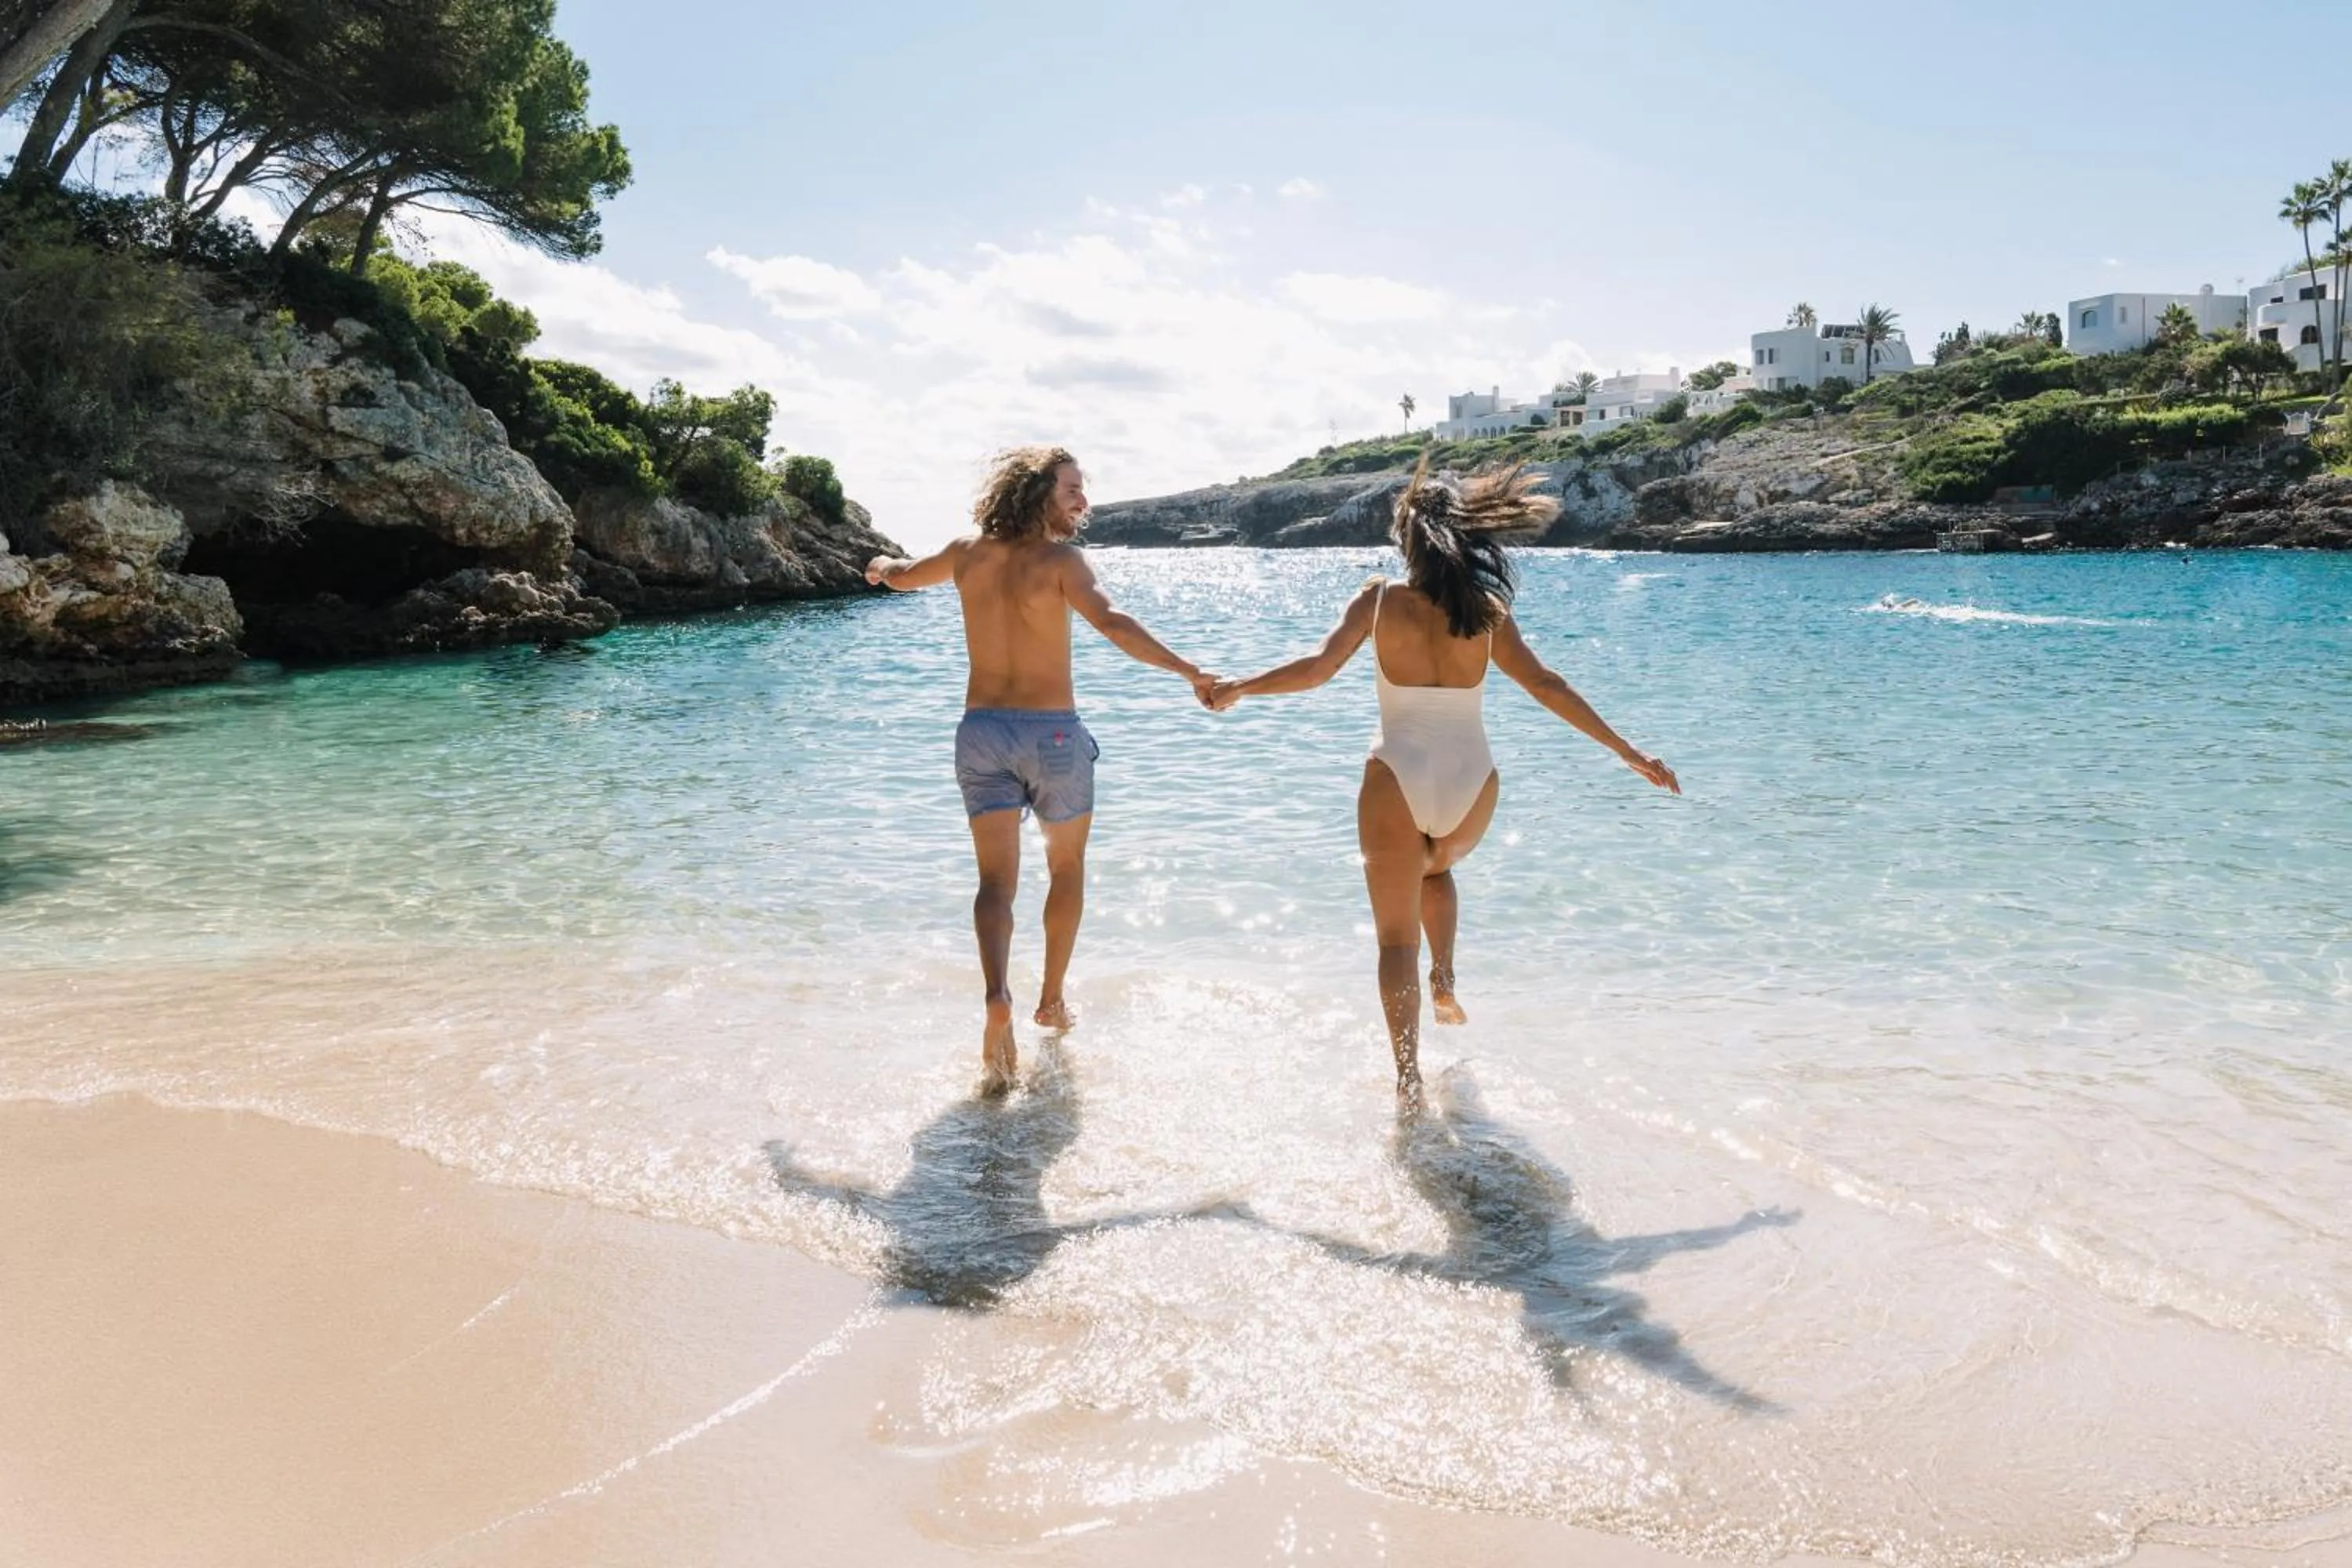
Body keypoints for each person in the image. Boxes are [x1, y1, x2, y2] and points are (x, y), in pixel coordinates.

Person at [1209, 460, 1679, 1104]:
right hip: (1472, 782)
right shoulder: (1487, 609)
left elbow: (1318, 670)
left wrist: (1241, 686)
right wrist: (1626, 750)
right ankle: (1447, 975)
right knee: (1434, 869)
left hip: (1397, 772)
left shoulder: (1377, 601)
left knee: (1393, 936)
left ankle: (1407, 1079)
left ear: (1408, 538)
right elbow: (1546, 685)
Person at [866, 446, 1218, 1094]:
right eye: (1073, 490)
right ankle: (1050, 1000)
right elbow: (1111, 621)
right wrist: (1190, 670)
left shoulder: (966, 552)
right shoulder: (1061, 561)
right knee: (1066, 868)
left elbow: (908, 575)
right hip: (1053, 735)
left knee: (995, 882)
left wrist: (882, 567)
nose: (1083, 501)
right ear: (1038, 495)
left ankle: (997, 994)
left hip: (981, 733)